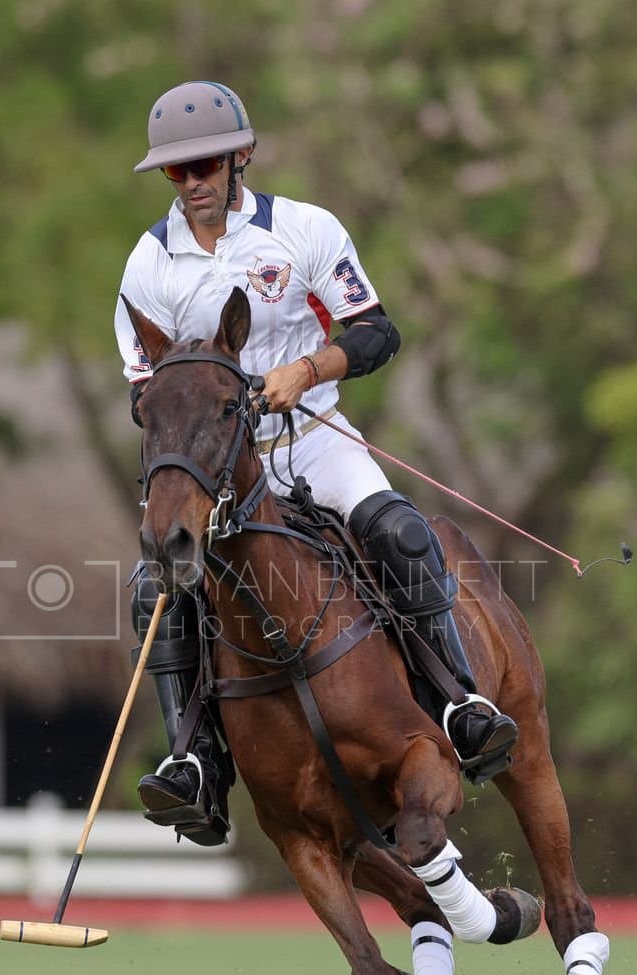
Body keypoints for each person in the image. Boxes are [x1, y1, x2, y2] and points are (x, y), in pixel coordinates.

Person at [114, 81, 518, 846]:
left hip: (315, 438)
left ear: (241, 157)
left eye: (204, 164)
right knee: (153, 593)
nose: (193, 182)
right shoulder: (148, 264)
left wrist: (305, 370)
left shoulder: (303, 230)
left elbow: (376, 332)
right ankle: (193, 764)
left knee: (400, 534)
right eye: (176, 172)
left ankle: (461, 703)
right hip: (219, 466)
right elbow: (147, 388)